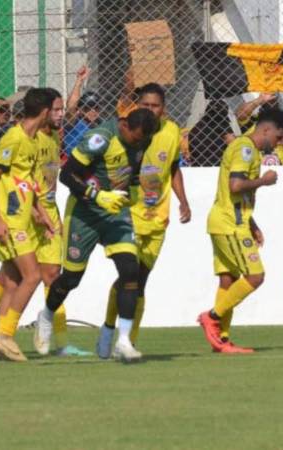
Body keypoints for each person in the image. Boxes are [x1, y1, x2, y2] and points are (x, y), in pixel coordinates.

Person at [33, 108, 158, 363]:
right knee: (70, 278)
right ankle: (46, 316)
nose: (140, 143)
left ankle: (123, 341)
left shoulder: (143, 140)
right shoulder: (100, 138)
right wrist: (98, 196)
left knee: (130, 270)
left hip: (115, 213)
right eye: (136, 138)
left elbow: (131, 174)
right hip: (84, 214)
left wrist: (136, 194)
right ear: (124, 126)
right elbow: (67, 175)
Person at [96, 82, 192, 358]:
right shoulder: (129, 130)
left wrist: (183, 200)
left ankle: (127, 341)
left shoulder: (172, 132)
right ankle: (111, 331)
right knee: (129, 278)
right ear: (137, 106)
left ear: (164, 108)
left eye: (156, 105)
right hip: (130, 215)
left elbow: (173, 168)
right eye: (146, 105)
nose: (151, 110)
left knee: (141, 281)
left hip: (158, 218)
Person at [197, 108, 283, 353]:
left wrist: (252, 224)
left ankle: (222, 340)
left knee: (228, 279)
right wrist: (264, 181)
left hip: (227, 221)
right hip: (230, 224)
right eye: (279, 137)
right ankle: (212, 317)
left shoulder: (246, 149)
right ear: (267, 130)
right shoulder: (246, 149)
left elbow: (236, 193)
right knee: (255, 276)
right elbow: (236, 185)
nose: (279, 143)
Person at [0, 88, 54, 362]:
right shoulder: (13, 138)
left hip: (22, 217)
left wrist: (40, 213)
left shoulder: (34, 141)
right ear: (45, 111)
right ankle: (5, 336)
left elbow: (25, 182)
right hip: (9, 220)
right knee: (32, 276)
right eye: (54, 109)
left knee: (12, 280)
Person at [235, 93, 283, 166]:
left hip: (280, 168)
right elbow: (241, 113)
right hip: (253, 165)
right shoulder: (254, 120)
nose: (271, 102)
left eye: (274, 99)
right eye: (269, 101)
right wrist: (259, 100)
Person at [62, 65, 100, 156]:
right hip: (73, 164)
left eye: (96, 107)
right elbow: (71, 107)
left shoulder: (101, 124)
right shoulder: (74, 123)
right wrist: (79, 80)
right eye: (87, 108)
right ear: (80, 110)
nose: (92, 111)